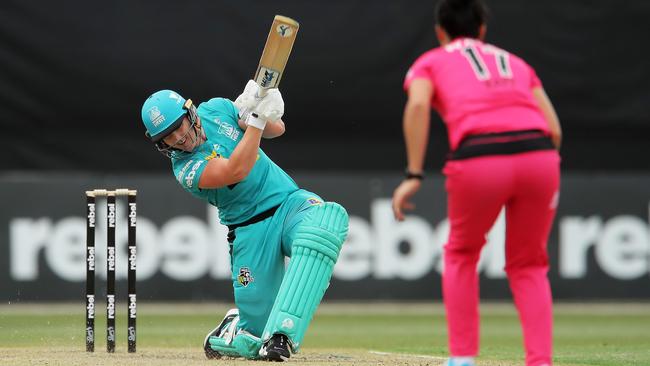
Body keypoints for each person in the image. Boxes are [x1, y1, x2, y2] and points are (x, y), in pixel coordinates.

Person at [391, 0, 562, 365]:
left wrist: (414, 174)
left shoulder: (430, 61)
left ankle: (463, 359)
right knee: (529, 264)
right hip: (540, 155)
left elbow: (418, 106)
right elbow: (555, 129)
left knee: (462, 254)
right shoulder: (516, 62)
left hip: (480, 157)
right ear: (482, 28)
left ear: (440, 31)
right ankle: (540, 361)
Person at [140, 81, 349, 361]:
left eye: (179, 125)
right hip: (250, 231)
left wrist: (262, 105)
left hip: (289, 204)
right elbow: (236, 170)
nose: (179, 138)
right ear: (160, 143)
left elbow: (277, 129)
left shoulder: (216, 108)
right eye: (167, 136)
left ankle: (282, 336)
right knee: (251, 341)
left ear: (190, 112)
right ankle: (230, 331)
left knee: (325, 224)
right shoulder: (186, 169)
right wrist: (256, 121)